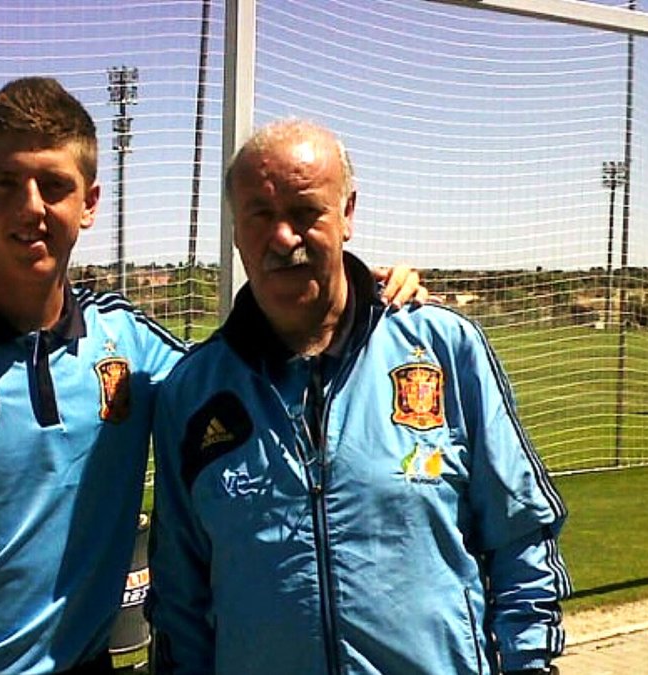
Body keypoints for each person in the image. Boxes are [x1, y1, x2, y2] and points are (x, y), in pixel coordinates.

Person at [0, 79, 427, 675]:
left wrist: (362, 302)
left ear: (90, 202)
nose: (30, 208)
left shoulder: (128, 344)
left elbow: (239, 366)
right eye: (5, 184)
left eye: (53, 185)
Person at [148, 119, 572, 675]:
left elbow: (520, 536)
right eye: (261, 215)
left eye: (305, 212)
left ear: (347, 213)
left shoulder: (443, 350)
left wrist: (529, 664)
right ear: (235, 228)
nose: (283, 237)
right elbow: (181, 601)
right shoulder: (192, 393)